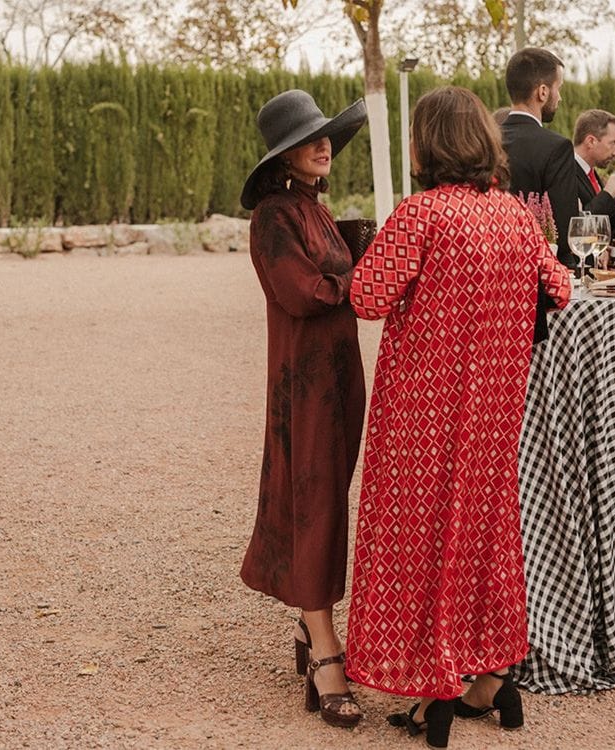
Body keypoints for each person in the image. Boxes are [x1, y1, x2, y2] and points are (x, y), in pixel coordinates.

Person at [345, 86, 571, 749]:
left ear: (425, 146)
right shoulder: (513, 217)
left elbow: (366, 296)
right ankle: (491, 677)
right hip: (493, 419)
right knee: (483, 536)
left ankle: (434, 690)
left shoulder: (421, 216)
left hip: (422, 415)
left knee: (417, 542)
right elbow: (557, 287)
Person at [239, 89, 367, 728]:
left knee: (330, 501)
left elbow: (342, 264)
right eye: (308, 141)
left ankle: (307, 619)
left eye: (326, 139)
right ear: (284, 157)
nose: (324, 147)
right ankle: (324, 649)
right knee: (313, 506)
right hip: (304, 384)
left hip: (340, 378)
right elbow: (303, 292)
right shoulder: (273, 218)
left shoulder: (314, 209)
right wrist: (360, 281)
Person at [501, 48, 578, 270]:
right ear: (542, 92)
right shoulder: (557, 148)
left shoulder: (483, 142)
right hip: (539, 275)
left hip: (490, 273)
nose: (560, 97)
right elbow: (564, 230)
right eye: (558, 88)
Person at [572, 109, 615, 239]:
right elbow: (576, 227)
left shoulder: (591, 173)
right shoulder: (565, 173)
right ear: (591, 141)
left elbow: (605, 226)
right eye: (613, 143)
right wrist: (608, 194)